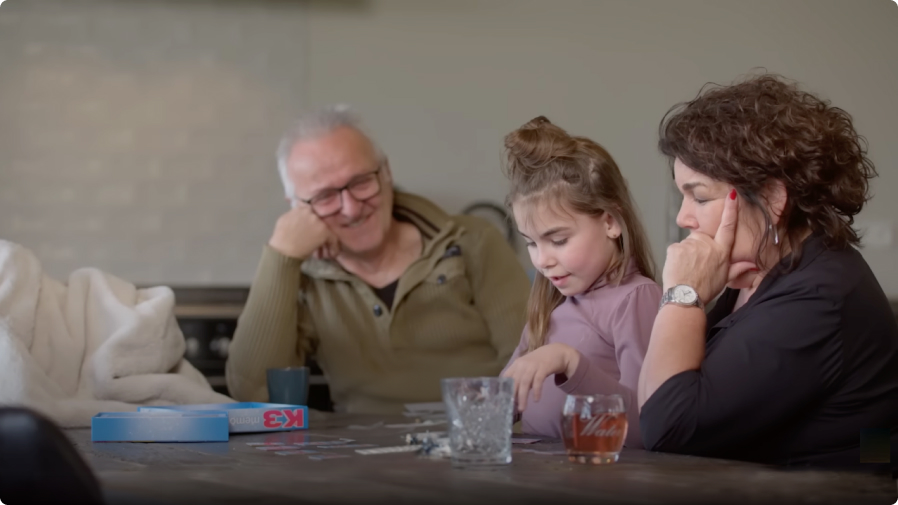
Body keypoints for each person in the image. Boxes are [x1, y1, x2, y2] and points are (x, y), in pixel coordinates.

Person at [638, 74, 898, 471]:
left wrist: (682, 294)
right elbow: (655, 403)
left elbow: (666, 428)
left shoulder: (819, 296)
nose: (683, 216)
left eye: (700, 196)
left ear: (774, 198)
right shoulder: (757, 273)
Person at [225, 105, 531, 414]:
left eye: (360, 182)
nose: (351, 208)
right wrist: (281, 256)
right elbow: (254, 393)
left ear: (386, 172)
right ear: (297, 207)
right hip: (359, 454)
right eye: (325, 197)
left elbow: (532, 365)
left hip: (477, 444)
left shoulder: (473, 241)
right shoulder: (301, 277)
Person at [499, 117, 661, 446]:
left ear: (611, 222)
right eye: (531, 243)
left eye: (558, 240)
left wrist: (569, 362)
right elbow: (505, 401)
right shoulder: (550, 304)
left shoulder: (636, 299)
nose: (542, 260)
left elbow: (650, 427)